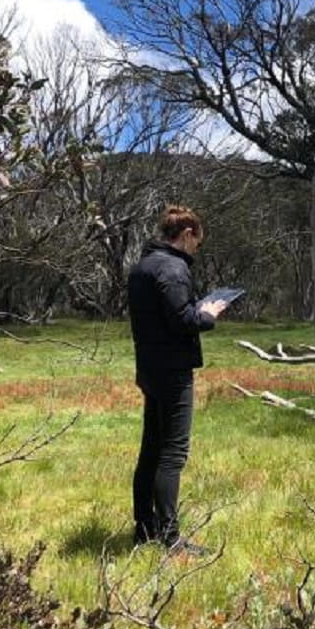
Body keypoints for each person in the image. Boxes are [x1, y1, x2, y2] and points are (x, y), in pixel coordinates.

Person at [127, 205, 228, 555]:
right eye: (197, 243)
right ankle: (171, 539)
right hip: (172, 372)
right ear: (187, 235)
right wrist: (209, 314)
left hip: (149, 368)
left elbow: (162, 314)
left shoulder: (142, 266)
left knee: (151, 450)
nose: (196, 249)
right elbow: (184, 321)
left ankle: (144, 529)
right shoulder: (173, 268)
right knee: (172, 454)